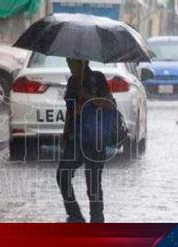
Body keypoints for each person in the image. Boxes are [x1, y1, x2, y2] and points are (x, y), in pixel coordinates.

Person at [57, 58, 115, 223]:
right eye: (68, 62)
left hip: (95, 139)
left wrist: (87, 97)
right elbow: (69, 111)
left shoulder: (98, 79)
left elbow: (109, 105)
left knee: (93, 184)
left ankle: (97, 221)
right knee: (62, 174)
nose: (69, 64)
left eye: (72, 62)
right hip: (75, 139)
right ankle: (75, 215)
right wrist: (65, 134)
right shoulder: (72, 81)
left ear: (82, 62)